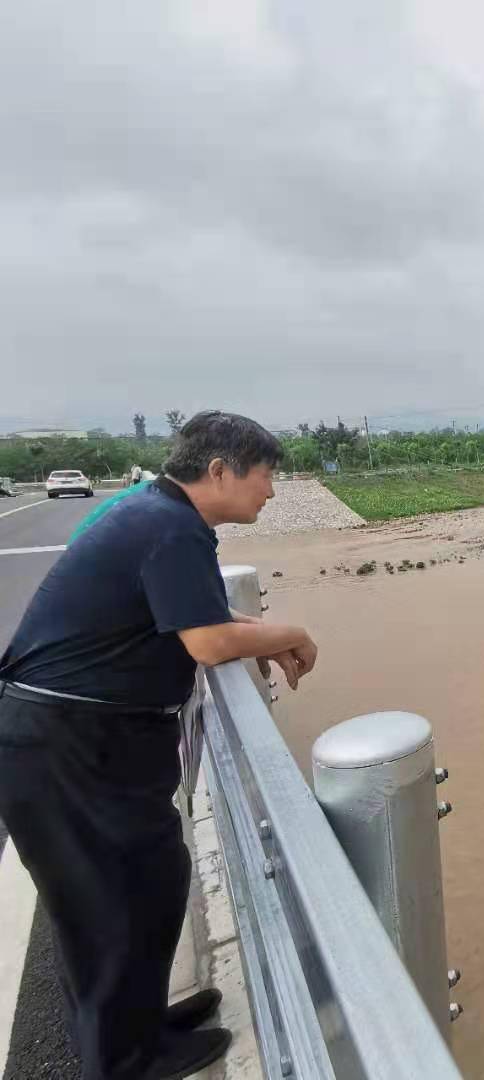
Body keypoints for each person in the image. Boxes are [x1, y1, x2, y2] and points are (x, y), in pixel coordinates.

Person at [0, 411, 319, 1080]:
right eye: (266, 476)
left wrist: (265, 630)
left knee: (148, 881)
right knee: (105, 904)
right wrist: (291, 631)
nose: (271, 490)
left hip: (85, 740)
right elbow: (207, 642)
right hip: (69, 744)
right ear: (221, 471)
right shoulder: (171, 529)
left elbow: (198, 613)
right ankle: (123, 1062)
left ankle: (139, 1025)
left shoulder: (159, 516)